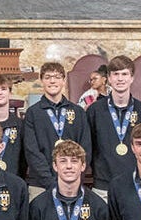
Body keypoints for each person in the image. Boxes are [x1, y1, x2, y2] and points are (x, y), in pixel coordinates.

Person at [87, 55, 141, 201]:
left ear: (132, 78)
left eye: (124, 74)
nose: (120, 79)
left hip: (136, 184)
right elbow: (89, 146)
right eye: (115, 74)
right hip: (102, 186)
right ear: (109, 78)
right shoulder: (94, 111)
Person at [23, 62, 92, 201]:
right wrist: (50, 182)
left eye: (57, 77)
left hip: (72, 184)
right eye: (48, 77)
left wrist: (73, 178)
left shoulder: (77, 112)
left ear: (64, 81)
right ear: (42, 80)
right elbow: (32, 151)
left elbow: (85, 147)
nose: (52, 81)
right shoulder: (33, 113)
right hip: (40, 185)